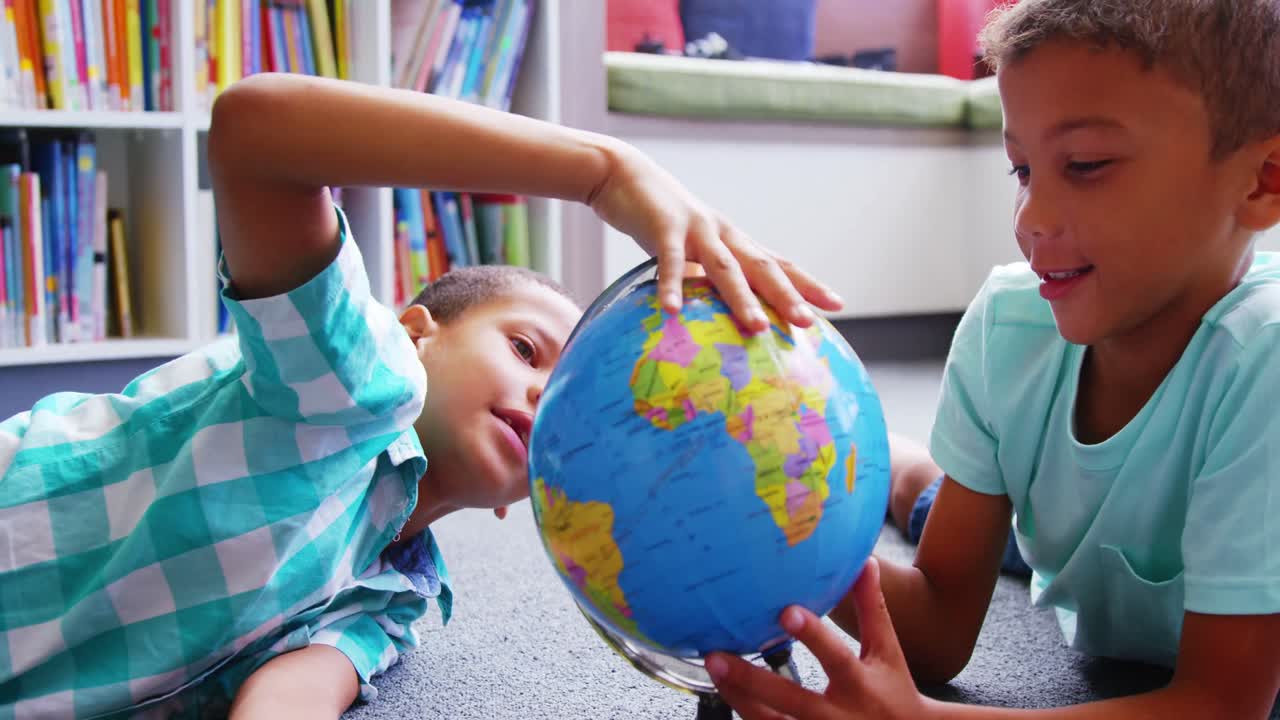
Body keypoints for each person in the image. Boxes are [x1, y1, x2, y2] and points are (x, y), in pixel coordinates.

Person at [0, 72, 844, 720]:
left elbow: (287, 698)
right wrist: (604, 172)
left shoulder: (396, 599)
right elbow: (254, 128)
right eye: (524, 348)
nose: (549, 393)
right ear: (413, 331)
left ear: (536, 504)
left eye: (573, 402)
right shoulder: (357, 386)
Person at [706, 1, 1280, 717]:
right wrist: (779, 538)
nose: (1030, 218)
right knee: (948, 509)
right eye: (1022, 169)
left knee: (989, 528)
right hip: (1074, 543)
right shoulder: (1011, 323)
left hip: (1166, 562)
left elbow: (1223, 702)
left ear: (1262, 180)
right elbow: (942, 627)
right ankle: (905, 466)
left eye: (1086, 165)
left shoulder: (1264, 359)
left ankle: (909, 469)